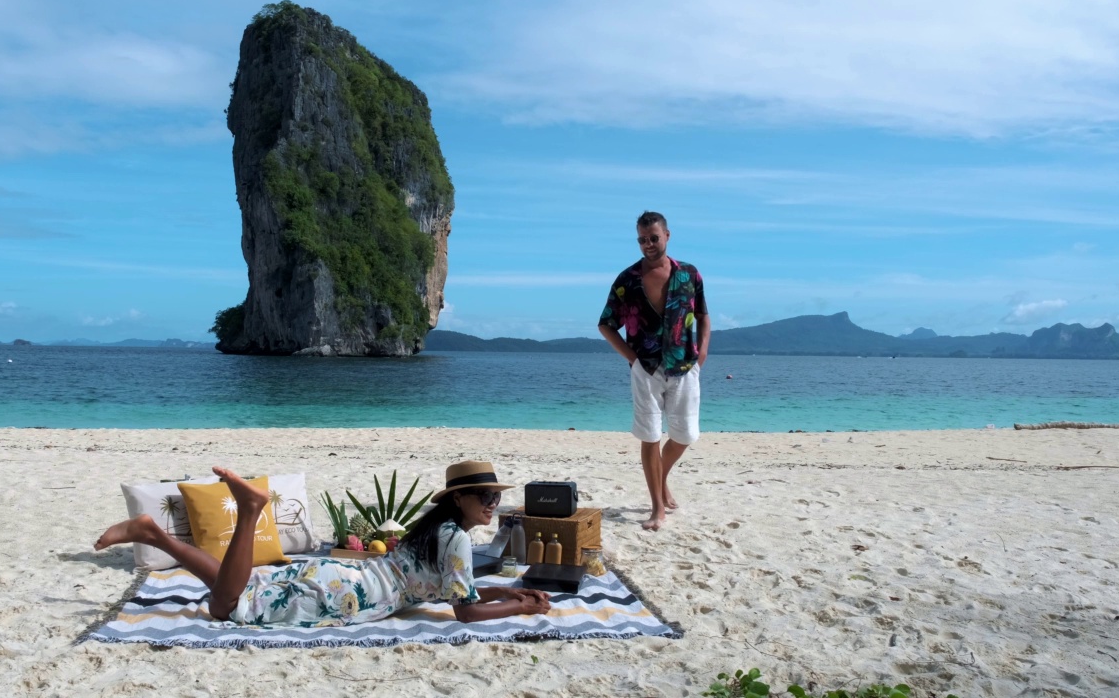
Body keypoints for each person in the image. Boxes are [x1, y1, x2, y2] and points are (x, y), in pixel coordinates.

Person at [93, 460, 551, 626]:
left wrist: (506, 592)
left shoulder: (439, 531)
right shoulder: (457, 541)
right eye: (485, 497)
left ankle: (152, 533)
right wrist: (523, 607)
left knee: (238, 592)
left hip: (345, 575)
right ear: (460, 499)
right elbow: (466, 613)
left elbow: (460, 593)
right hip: (354, 593)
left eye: (496, 497)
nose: (493, 504)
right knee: (226, 606)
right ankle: (252, 510)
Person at [597, 211, 709, 531]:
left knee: (685, 434)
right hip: (645, 367)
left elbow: (703, 316)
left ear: (667, 236)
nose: (648, 244)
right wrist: (631, 358)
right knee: (650, 436)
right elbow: (606, 324)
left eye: (654, 238)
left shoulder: (689, 275)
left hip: (684, 364)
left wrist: (702, 354)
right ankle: (656, 508)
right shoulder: (627, 279)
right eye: (642, 239)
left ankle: (662, 480)